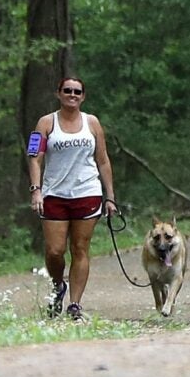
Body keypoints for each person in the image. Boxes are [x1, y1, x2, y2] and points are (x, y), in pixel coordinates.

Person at [27, 76, 116, 320]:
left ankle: (75, 304)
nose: (72, 95)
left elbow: (103, 160)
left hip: (86, 192)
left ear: (83, 96)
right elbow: (34, 156)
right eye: (67, 90)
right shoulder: (46, 123)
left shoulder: (92, 123)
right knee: (55, 251)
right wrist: (36, 189)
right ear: (58, 93)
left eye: (77, 91)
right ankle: (58, 285)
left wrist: (110, 197)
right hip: (54, 193)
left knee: (80, 248)